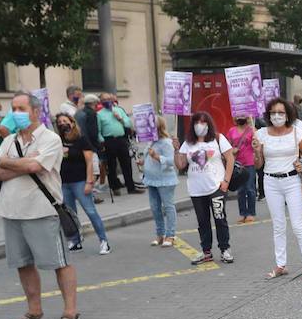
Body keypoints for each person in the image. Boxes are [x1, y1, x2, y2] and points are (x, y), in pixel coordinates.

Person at [0, 92, 81, 319]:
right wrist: (20, 163)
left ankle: (70, 312)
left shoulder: (49, 139)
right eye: (13, 108)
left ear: (35, 111)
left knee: (59, 263)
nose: (15, 113)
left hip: (41, 210)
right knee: (23, 264)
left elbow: (35, 166)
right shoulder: (9, 140)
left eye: (20, 108)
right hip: (11, 210)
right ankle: (34, 312)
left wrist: (9, 163)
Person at [254, 97, 302, 280]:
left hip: (292, 181)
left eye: (281, 112)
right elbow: (258, 165)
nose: (277, 116)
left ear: (288, 114)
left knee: (297, 225)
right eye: (273, 113)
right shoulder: (261, 134)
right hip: (270, 182)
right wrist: (257, 151)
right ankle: (281, 265)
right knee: (278, 225)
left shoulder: (296, 132)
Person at [176, 111, 235, 265]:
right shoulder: (188, 143)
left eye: (203, 122)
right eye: (196, 123)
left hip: (216, 186)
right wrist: (176, 149)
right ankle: (206, 251)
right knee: (203, 221)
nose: (199, 126)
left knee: (219, 218)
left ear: (208, 124)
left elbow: (230, 158)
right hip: (196, 189)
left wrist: (226, 181)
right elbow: (181, 165)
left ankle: (225, 249)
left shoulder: (217, 138)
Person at [53, 112, 110, 255]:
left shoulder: (81, 139)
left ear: (72, 122)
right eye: (59, 122)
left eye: (65, 121)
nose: (62, 124)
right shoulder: (57, 140)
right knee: (70, 213)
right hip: (64, 182)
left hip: (80, 181)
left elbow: (89, 161)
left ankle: (103, 241)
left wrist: (90, 181)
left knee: (90, 211)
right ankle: (75, 240)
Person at [143, 116, 178, 248]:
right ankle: (160, 234)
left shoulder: (166, 142)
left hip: (165, 180)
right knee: (155, 208)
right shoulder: (151, 142)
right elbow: (148, 158)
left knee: (168, 207)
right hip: (151, 180)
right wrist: (143, 161)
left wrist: (157, 157)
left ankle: (170, 234)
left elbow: (170, 161)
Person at [97, 92, 137, 195]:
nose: (107, 101)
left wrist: (120, 118)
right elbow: (98, 130)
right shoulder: (100, 114)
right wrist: (102, 141)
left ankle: (130, 187)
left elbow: (128, 123)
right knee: (112, 165)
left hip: (121, 139)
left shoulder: (119, 110)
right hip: (109, 140)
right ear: (101, 102)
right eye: (104, 99)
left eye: (109, 99)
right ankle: (115, 187)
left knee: (126, 163)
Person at [226, 115, 258, 224]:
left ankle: (251, 213)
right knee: (240, 190)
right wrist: (232, 150)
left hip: (249, 162)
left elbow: (258, 145)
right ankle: (243, 213)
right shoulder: (231, 131)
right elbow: (226, 146)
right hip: (237, 163)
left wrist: (255, 141)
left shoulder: (252, 130)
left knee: (250, 188)